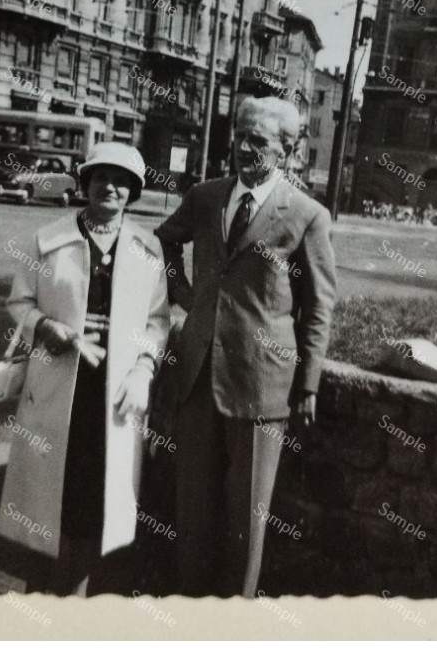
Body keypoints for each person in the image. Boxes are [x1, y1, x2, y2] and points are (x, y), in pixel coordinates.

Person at [155, 96, 338, 597]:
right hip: (196, 378)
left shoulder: (306, 215)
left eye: (257, 140)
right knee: (190, 513)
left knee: (247, 519)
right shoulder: (205, 196)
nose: (242, 146)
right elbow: (164, 240)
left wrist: (308, 384)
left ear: (288, 149)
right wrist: (184, 292)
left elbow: (319, 306)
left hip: (262, 385)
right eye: (239, 133)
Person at [0, 142, 170, 595]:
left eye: (121, 181)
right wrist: (45, 326)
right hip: (58, 379)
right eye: (100, 177)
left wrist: (143, 370)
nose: (109, 187)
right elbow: (20, 301)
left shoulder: (147, 248)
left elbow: (157, 320)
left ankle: (79, 591)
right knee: (54, 485)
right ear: (85, 183)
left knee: (101, 488)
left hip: (115, 387)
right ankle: (42, 590)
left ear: (132, 192)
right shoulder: (48, 239)